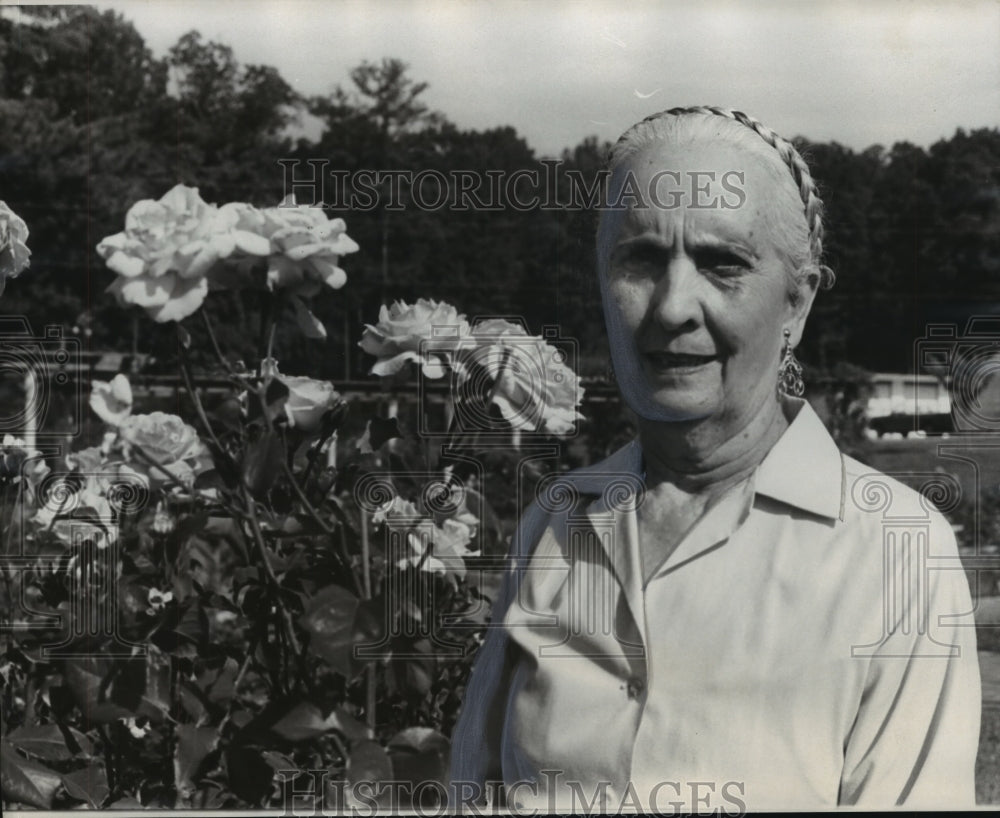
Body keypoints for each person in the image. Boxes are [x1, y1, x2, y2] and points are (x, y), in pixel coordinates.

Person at [449, 106, 981, 812]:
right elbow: (471, 789)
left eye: (722, 262)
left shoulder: (896, 551)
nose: (673, 307)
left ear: (798, 301)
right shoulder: (557, 519)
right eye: (639, 259)